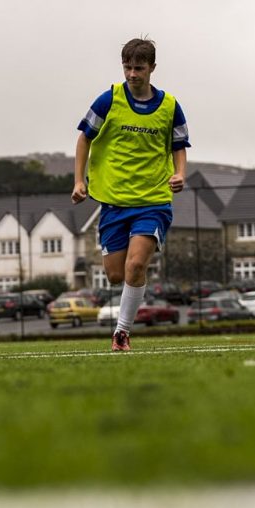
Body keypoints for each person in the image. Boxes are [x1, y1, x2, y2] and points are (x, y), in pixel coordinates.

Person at [71, 38, 190, 352]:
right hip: (113, 202)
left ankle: (121, 333)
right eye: (127, 67)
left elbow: (179, 147)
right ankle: (129, 308)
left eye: (139, 68)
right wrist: (79, 181)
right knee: (114, 275)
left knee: (136, 267)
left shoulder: (169, 106)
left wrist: (180, 174)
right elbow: (84, 139)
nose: (132, 74)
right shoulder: (108, 100)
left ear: (152, 68)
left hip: (153, 201)